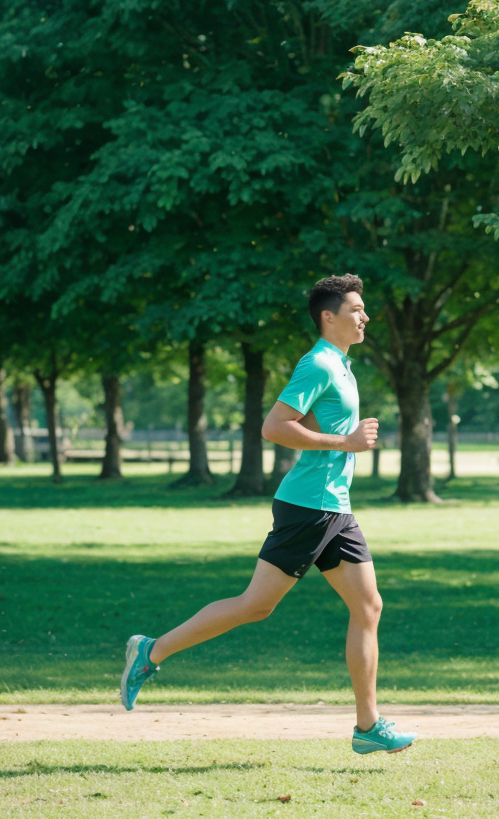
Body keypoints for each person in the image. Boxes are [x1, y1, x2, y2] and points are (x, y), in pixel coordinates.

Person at [120, 273, 417, 755]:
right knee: (255, 605)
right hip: (308, 507)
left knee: (368, 606)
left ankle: (368, 726)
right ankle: (150, 652)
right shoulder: (317, 363)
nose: (366, 317)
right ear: (328, 317)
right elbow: (274, 426)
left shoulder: (342, 364)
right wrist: (344, 442)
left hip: (334, 507)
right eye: (356, 310)